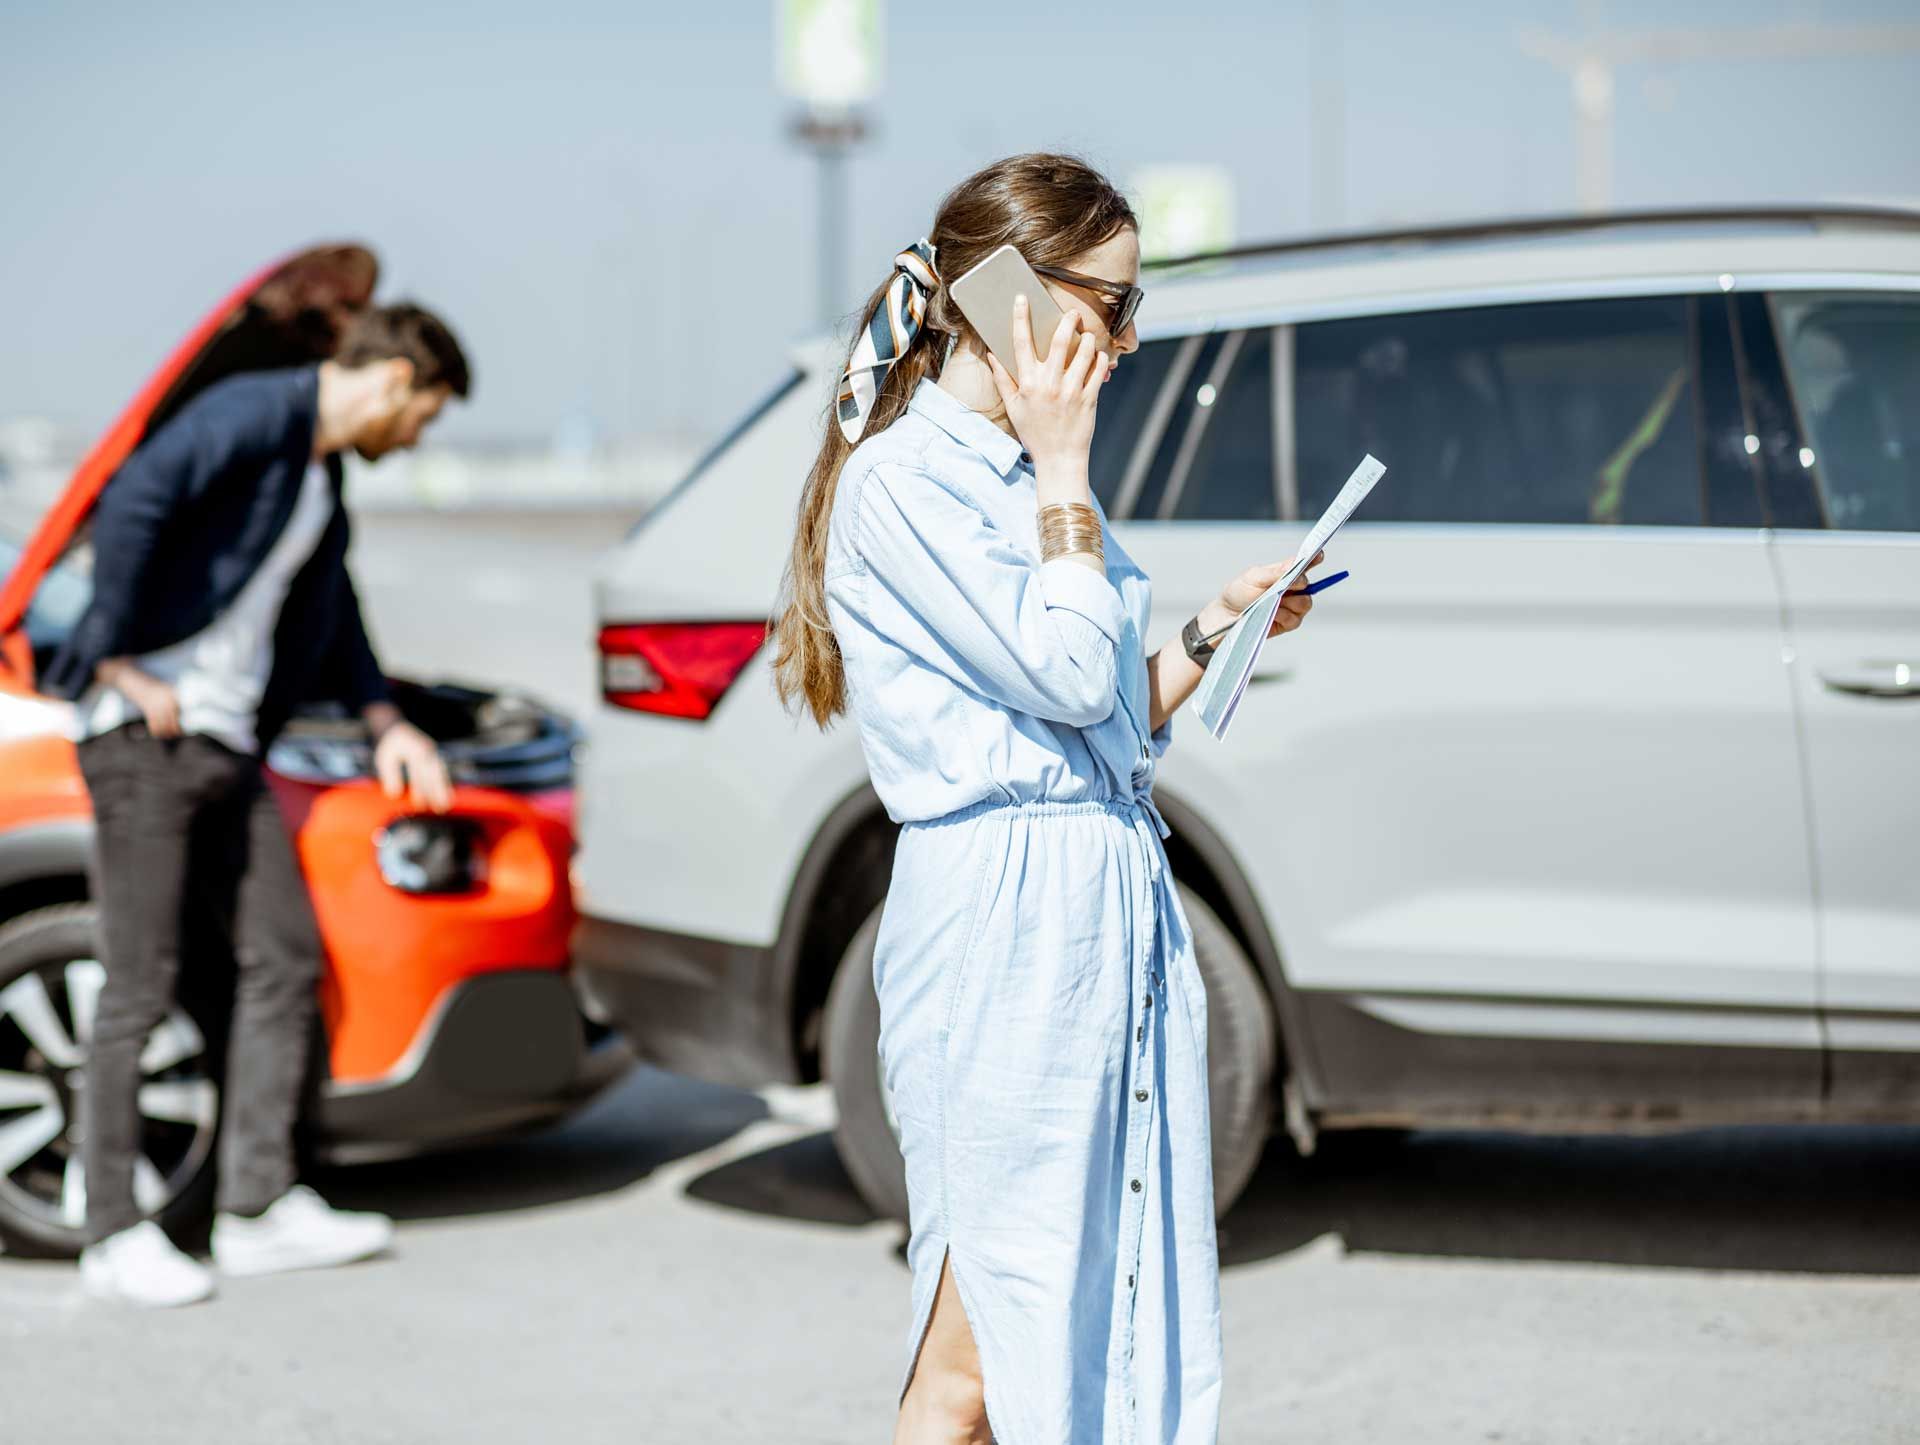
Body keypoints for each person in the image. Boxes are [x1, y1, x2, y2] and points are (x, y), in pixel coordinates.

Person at [772, 154, 1325, 1445]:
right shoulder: (906, 483)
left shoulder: (1020, 478)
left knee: (1080, 1325)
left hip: (1091, 906)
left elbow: (1109, 707)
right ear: (1015, 295)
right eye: (1113, 305)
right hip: (1001, 932)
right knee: (980, 1344)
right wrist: (1068, 465)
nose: (1127, 341)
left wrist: (1214, 627)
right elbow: (1072, 671)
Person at [41, 303, 471, 1307]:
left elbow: (341, 616)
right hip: (143, 742)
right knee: (137, 984)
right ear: (397, 379)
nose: (414, 440)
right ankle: (113, 1230)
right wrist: (111, 657)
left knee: (280, 958)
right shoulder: (252, 413)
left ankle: (255, 1208)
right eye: (424, 416)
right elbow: (134, 495)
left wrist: (387, 721)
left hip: (225, 748)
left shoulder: (318, 481)